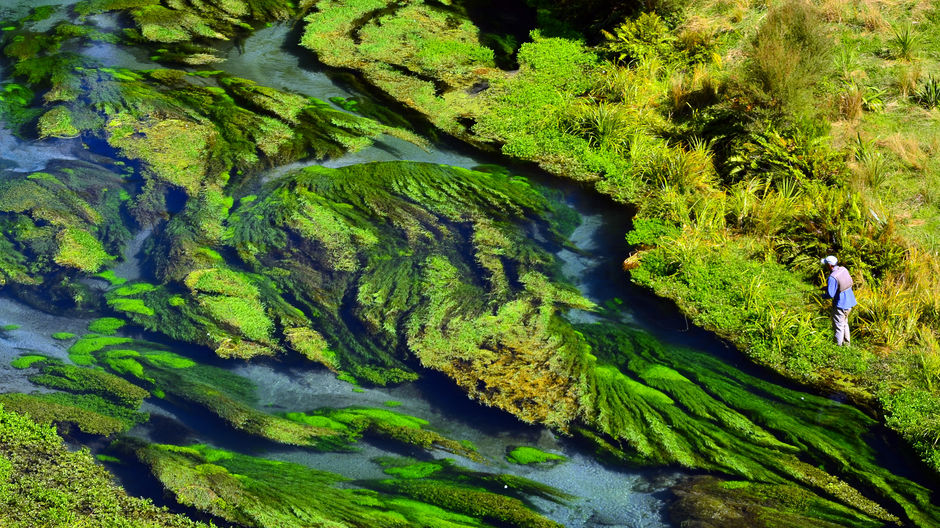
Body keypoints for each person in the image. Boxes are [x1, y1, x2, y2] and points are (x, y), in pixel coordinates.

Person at [820, 255, 856, 346]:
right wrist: (827, 288)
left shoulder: (832, 277)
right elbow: (841, 284)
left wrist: (823, 296)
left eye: (826, 264)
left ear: (829, 265)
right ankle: (847, 344)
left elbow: (831, 294)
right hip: (850, 302)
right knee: (845, 324)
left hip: (841, 305)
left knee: (839, 326)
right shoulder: (843, 269)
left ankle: (837, 347)